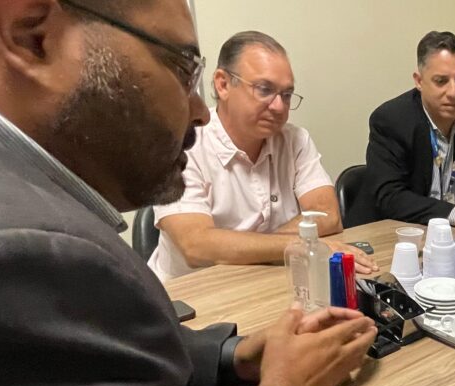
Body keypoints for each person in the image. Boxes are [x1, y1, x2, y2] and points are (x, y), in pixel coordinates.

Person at [0, 1, 378, 386]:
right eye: (179, 67)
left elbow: (70, 355)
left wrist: (229, 358)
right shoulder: (32, 255)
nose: (197, 111)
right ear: (31, 34)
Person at [148, 30, 376, 281]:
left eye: (286, 95)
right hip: (192, 291)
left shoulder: (295, 140)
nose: (278, 106)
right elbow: (196, 245)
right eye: (264, 89)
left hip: (266, 282)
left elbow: (328, 216)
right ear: (223, 84)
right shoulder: (183, 143)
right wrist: (294, 245)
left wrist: (248, 248)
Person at [345, 30, 455, 228]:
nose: (453, 92)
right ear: (419, 81)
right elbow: (391, 198)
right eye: (441, 81)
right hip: (393, 233)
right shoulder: (391, 119)